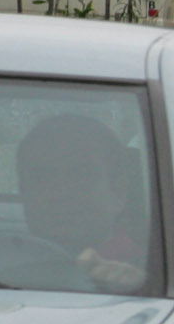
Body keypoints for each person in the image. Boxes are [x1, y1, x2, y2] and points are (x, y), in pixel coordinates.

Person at [16, 113, 151, 294]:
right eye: (42, 178)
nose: (59, 193)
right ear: (23, 192)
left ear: (118, 192)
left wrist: (137, 289)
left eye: (80, 176)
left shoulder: (152, 280)